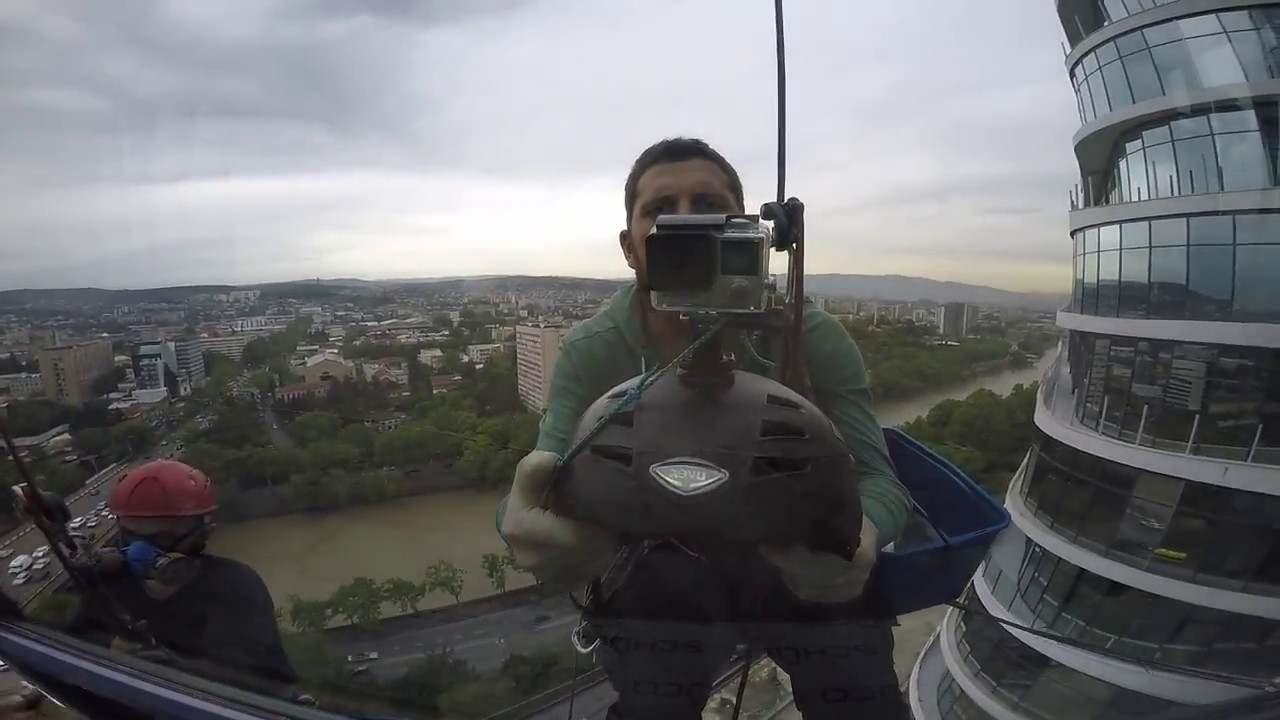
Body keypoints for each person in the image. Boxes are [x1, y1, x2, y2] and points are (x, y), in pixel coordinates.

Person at [497, 137, 912, 719]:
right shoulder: (594, 347)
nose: (685, 225)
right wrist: (524, 527)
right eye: (662, 210)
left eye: (708, 206)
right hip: (657, 577)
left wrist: (859, 540)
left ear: (748, 235)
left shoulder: (807, 335)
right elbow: (538, 488)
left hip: (793, 567)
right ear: (629, 246)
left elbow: (881, 481)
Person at [28, 460, 298, 695]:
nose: (141, 550)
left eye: (162, 537)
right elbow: (73, 641)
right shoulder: (112, 583)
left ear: (201, 534)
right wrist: (111, 648)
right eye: (132, 535)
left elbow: (250, 680)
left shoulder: (234, 588)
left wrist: (168, 667)